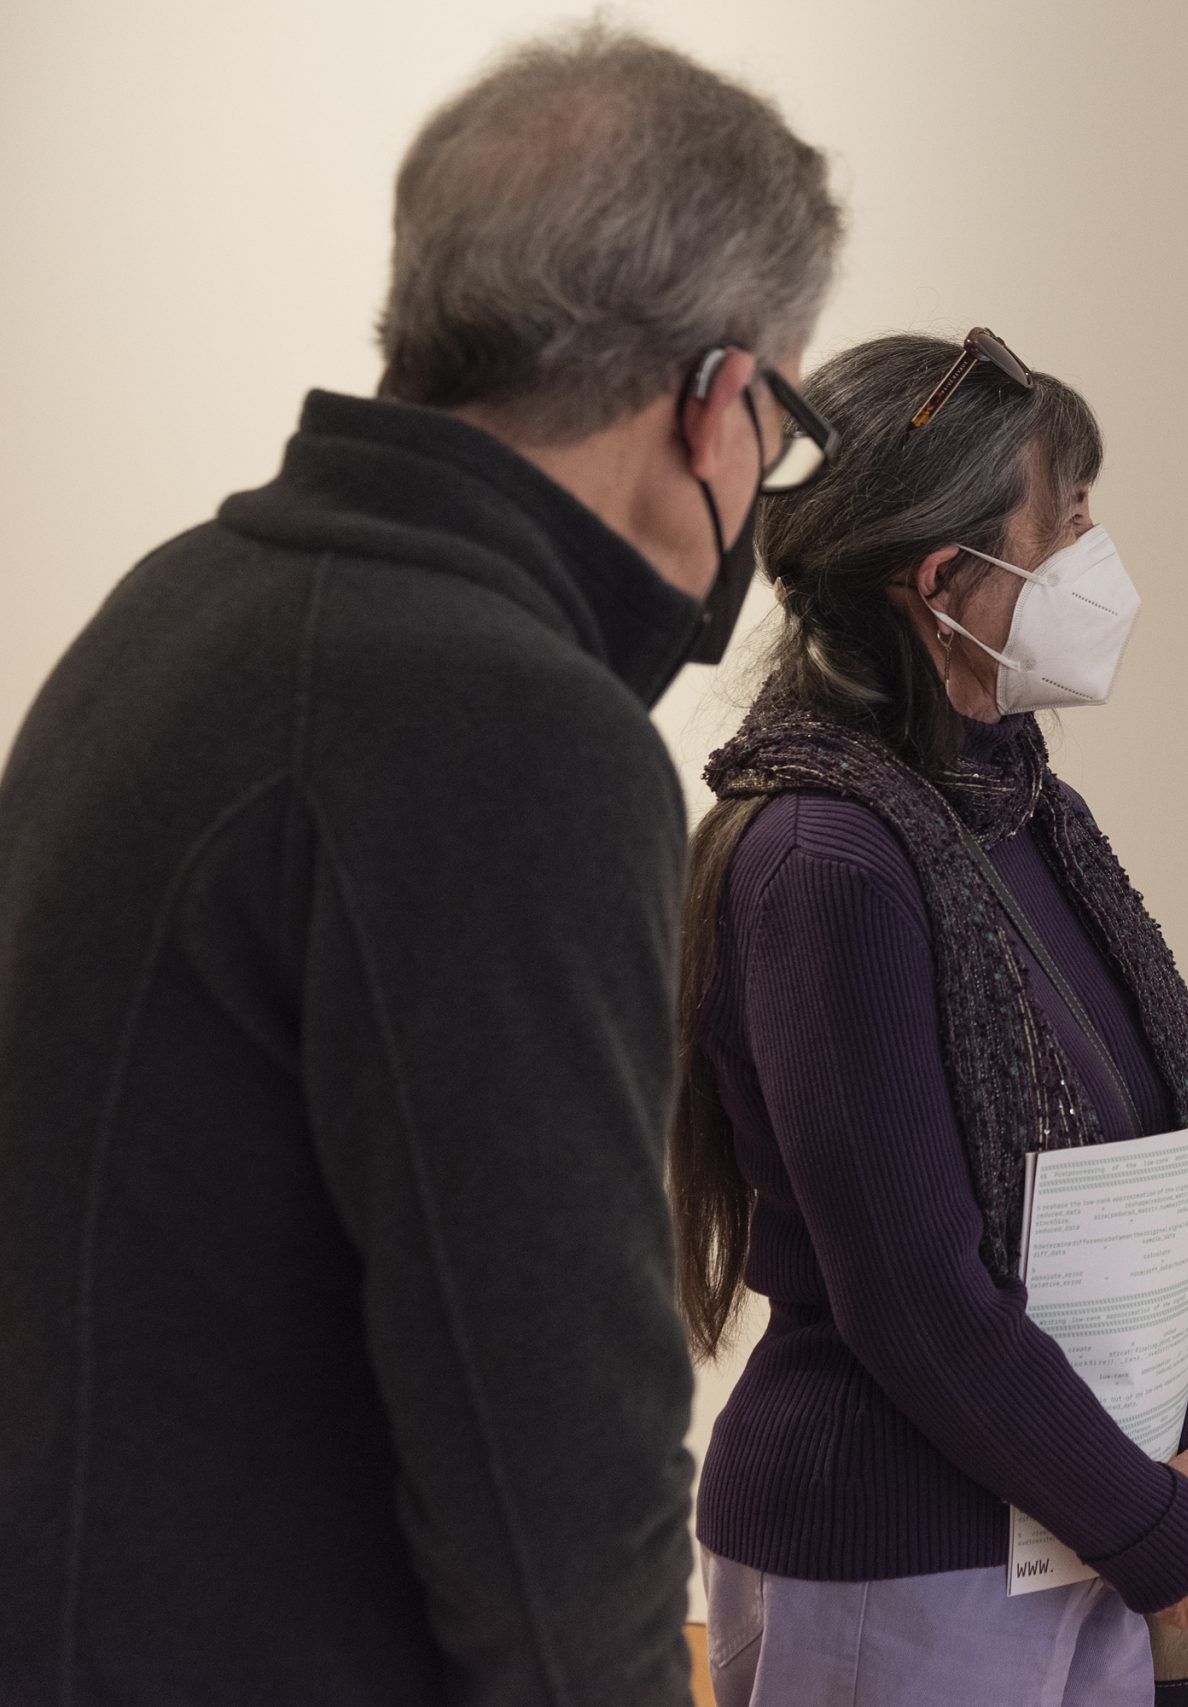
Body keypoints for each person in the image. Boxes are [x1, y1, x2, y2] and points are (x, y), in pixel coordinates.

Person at [0, 27, 840, 1706]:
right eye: (785, 421)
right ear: (719, 398)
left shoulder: (178, 607)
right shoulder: (509, 728)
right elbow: (550, 1434)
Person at [669, 330, 1188, 1707]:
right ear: (946, 583)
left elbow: (1140, 1166)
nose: (1096, 552)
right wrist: (1143, 1520)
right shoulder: (829, 859)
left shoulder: (1027, 814)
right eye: (1063, 526)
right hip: (904, 1549)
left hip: (1074, 1527)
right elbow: (915, 1289)